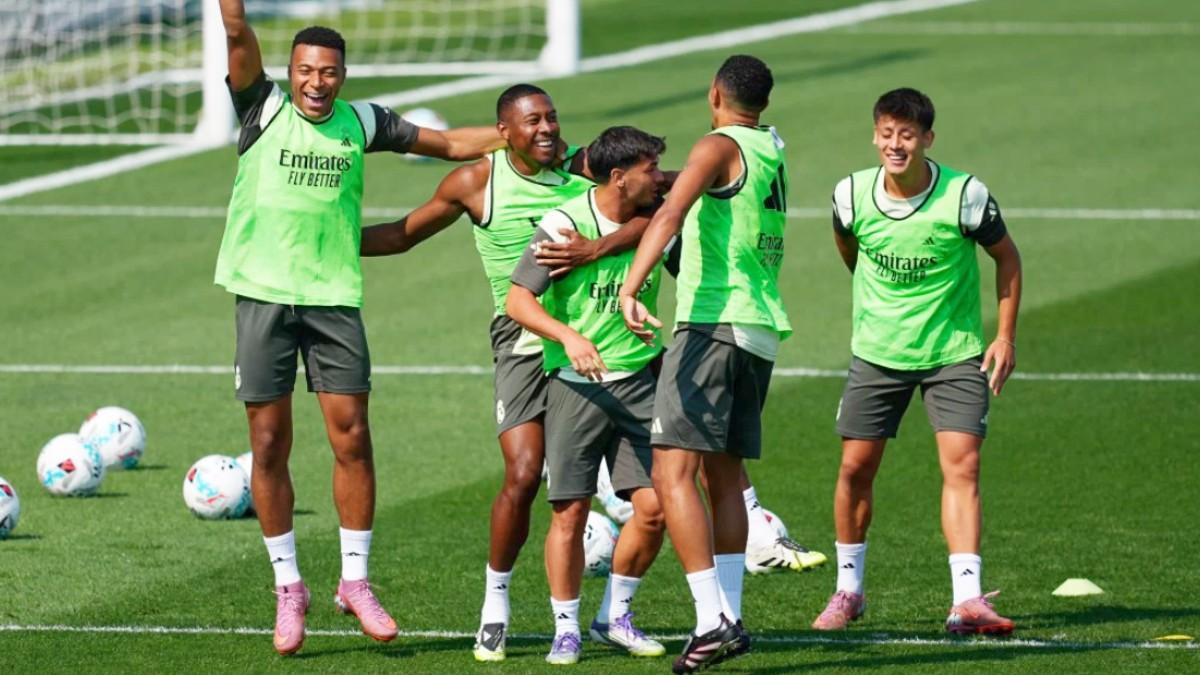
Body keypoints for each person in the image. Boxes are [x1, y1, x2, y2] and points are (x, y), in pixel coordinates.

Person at [213, 0, 502, 656]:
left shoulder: (362, 122)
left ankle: (354, 580)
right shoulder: (263, 110)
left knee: (353, 437)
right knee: (266, 442)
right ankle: (289, 586)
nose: (318, 82)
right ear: (287, 74)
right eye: (306, 71)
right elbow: (234, 29)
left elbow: (450, 145)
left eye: (330, 72)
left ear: (344, 76)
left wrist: (516, 136)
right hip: (262, 297)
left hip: (334, 299)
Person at [359, 84, 647, 662]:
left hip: (586, 347)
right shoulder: (476, 181)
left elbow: (653, 208)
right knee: (521, 474)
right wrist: (328, 243)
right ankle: (496, 603)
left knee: (635, 493)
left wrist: (599, 247)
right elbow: (402, 235)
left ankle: (605, 615)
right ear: (504, 132)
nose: (546, 129)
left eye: (552, 118)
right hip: (520, 343)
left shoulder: (582, 169)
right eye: (532, 121)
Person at [811, 87, 1022, 635]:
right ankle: (849, 591)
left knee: (963, 467)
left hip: (953, 355)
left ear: (928, 138)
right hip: (877, 354)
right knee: (856, 469)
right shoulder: (851, 195)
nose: (895, 144)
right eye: (886, 134)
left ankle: (967, 600)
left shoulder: (964, 194)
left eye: (907, 135)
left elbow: (1007, 257)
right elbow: (848, 246)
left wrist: (1003, 337)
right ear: (875, 135)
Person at [618, 54, 790, 673]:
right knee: (723, 477)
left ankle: (709, 620)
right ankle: (731, 618)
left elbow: (669, 214)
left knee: (670, 470)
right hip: (759, 329)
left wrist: (630, 287)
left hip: (711, 324)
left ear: (714, 92)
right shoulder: (771, 143)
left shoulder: (716, 145)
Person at [507, 125, 675, 665]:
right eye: (650, 169)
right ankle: (565, 629)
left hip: (641, 380)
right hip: (577, 388)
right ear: (619, 177)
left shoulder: (655, 213)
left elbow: (661, 218)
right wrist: (569, 337)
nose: (659, 178)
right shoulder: (562, 223)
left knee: (655, 510)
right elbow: (517, 302)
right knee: (570, 512)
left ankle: (614, 617)